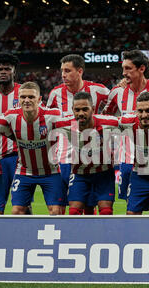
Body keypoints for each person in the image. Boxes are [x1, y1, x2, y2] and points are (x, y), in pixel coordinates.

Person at [102, 49, 149, 213]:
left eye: (128, 68)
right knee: (132, 209)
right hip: (128, 160)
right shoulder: (117, 92)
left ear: (142, 69)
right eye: (123, 68)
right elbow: (105, 118)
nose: (124, 73)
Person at [47, 54, 110, 214]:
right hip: (66, 157)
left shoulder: (99, 90)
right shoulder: (55, 93)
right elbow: (50, 122)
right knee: (70, 207)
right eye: (62, 71)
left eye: (67, 71)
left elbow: (113, 113)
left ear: (80, 71)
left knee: (90, 206)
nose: (63, 75)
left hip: (93, 157)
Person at [4, 82, 67, 215]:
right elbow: (3, 131)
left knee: (56, 211)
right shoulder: (10, 116)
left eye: (31, 97)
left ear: (39, 99)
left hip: (51, 171)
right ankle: (24, 236)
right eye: (23, 97)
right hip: (24, 171)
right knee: (16, 211)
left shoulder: (54, 115)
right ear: (18, 99)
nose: (27, 100)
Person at [54, 91, 118, 216]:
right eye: (77, 110)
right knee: (73, 212)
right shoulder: (63, 124)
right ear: (72, 110)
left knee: (106, 211)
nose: (81, 113)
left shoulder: (110, 123)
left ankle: (104, 236)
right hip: (80, 174)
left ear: (93, 109)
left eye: (85, 109)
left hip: (104, 174)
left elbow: (131, 125)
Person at [0, 52, 33, 215]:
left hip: (20, 157)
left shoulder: (25, 93)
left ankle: (28, 238)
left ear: (14, 71)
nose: (3, 72)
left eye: (7, 68)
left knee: (23, 206)